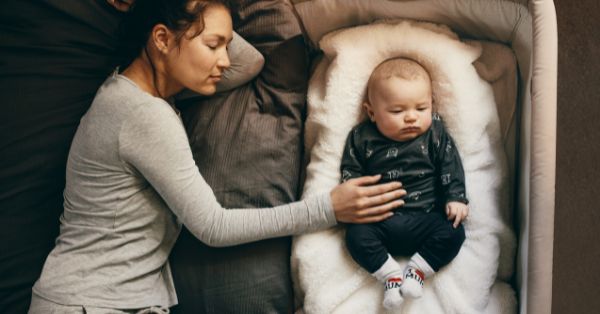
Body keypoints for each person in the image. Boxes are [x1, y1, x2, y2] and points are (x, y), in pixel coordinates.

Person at [28, 0, 406, 313]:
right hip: (91, 302)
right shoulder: (143, 114)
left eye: (225, 44)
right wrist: (327, 209)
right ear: (160, 38)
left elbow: (249, 63)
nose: (224, 59)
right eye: (213, 46)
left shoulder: (134, 92)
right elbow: (213, 227)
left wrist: (205, 20)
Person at [341, 57, 469, 310]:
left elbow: (450, 164)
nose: (411, 118)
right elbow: (351, 171)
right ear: (371, 113)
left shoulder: (435, 132)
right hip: (380, 219)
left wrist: (456, 197)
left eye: (421, 109)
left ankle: (417, 271)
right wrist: (355, 203)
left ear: (432, 105)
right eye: (397, 111)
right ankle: (389, 274)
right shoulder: (361, 137)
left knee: (455, 231)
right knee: (355, 237)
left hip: (427, 217)